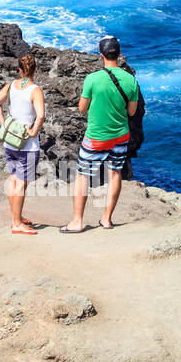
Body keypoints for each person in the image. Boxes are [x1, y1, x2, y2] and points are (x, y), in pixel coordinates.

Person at [62, 35, 139, 233]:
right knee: (115, 175)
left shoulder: (92, 79)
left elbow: (81, 108)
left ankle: (77, 222)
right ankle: (106, 219)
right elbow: (131, 112)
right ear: (119, 54)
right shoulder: (130, 80)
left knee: (82, 176)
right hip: (120, 136)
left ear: (101, 55)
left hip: (96, 137)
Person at [0, 53, 45, 235]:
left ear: (20, 70)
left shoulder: (11, 86)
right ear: (35, 69)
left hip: (10, 142)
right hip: (28, 146)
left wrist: (4, 124)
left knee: (14, 179)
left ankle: (17, 217)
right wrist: (33, 132)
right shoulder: (35, 90)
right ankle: (16, 223)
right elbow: (41, 115)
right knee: (21, 184)